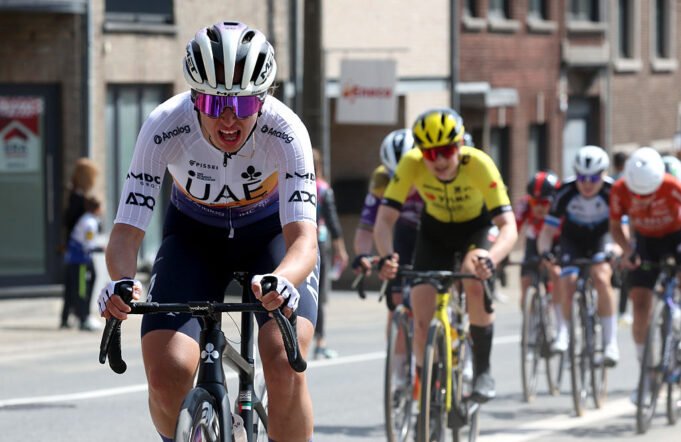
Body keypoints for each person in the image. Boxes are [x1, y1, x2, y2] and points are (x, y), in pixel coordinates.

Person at [97, 21, 319, 442]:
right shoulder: (165, 124)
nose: (229, 119)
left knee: (282, 362)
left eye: (244, 104)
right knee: (166, 374)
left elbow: (303, 240)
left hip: (270, 242)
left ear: (264, 99)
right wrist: (121, 281)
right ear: (194, 97)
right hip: (194, 240)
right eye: (214, 104)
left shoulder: (286, 131)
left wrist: (284, 279)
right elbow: (126, 230)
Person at [373, 108, 517, 403]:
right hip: (435, 232)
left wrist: (492, 259)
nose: (438, 160)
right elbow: (384, 220)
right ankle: (429, 385)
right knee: (420, 310)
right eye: (429, 153)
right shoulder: (411, 164)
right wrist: (387, 257)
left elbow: (508, 226)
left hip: (475, 229)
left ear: (460, 145)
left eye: (446, 151)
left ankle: (482, 370)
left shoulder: (479, 164)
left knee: (473, 276)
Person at [352, 128, 425, 384]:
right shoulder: (381, 181)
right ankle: (399, 374)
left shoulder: (431, 176)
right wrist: (363, 255)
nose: (402, 181)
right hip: (404, 235)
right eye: (395, 175)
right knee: (396, 302)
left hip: (432, 233)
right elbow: (366, 227)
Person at [609, 147, 681, 401]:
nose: (643, 199)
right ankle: (646, 375)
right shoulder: (620, 189)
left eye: (649, 194)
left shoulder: (673, 186)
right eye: (638, 195)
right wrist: (627, 250)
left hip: (676, 236)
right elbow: (615, 226)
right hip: (645, 242)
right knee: (639, 305)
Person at [538, 145, 620, 366]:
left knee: (601, 277)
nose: (587, 184)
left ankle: (610, 342)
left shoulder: (613, 192)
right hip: (572, 239)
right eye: (582, 177)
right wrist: (545, 251)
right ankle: (563, 332)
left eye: (594, 178)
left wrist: (616, 251)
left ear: (604, 174)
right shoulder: (565, 191)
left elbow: (622, 231)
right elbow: (547, 232)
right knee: (567, 281)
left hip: (602, 237)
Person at [515, 171, 563, 340]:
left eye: (544, 202)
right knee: (525, 280)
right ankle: (530, 323)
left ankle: (558, 323)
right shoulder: (524, 205)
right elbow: (513, 228)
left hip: (557, 241)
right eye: (535, 202)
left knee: (555, 273)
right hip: (534, 240)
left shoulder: (561, 206)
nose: (539, 208)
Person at [312, 148, 348, 359]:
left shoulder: (290, 184)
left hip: (293, 243)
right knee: (317, 294)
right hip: (318, 244)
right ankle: (320, 342)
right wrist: (340, 250)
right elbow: (333, 222)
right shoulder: (323, 189)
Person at [61, 157, 100, 330]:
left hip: (74, 249)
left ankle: (66, 316)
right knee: (83, 284)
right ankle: (83, 316)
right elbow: (72, 223)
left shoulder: (74, 194)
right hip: (81, 252)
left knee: (72, 284)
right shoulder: (79, 199)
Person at [63, 195, 104, 331]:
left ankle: (68, 318)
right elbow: (88, 245)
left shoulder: (87, 219)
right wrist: (101, 248)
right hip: (80, 260)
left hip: (78, 258)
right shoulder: (90, 223)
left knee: (74, 287)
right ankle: (83, 318)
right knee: (82, 289)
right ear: (97, 208)